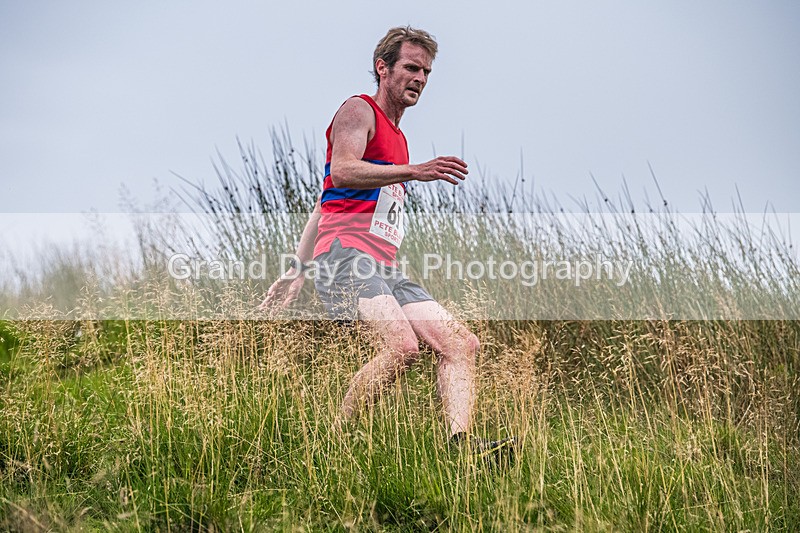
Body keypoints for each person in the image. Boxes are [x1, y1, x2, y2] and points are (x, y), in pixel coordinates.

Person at [260, 26, 514, 459]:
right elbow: (341, 172)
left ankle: (462, 447)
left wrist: (297, 269)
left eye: (427, 72)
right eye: (411, 68)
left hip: (383, 266)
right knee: (402, 347)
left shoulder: (398, 138)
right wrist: (414, 171)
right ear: (383, 68)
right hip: (345, 258)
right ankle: (333, 443)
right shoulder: (359, 112)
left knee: (460, 344)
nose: (420, 78)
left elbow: (326, 202)